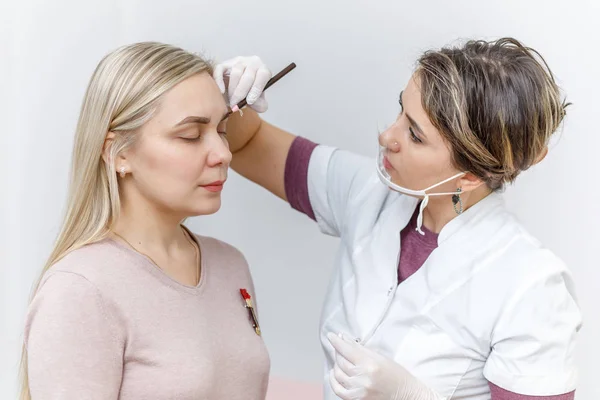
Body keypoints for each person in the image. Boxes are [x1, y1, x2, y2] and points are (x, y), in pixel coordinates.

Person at [214, 38, 582, 399]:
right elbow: (246, 144)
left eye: (415, 136)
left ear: (469, 176)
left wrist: (412, 395)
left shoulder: (530, 286)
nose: (386, 135)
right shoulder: (369, 192)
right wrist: (228, 98)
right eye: (400, 111)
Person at [20, 42, 270, 400]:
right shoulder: (80, 291)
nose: (223, 154)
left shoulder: (229, 265)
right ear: (119, 154)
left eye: (222, 130)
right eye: (190, 135)